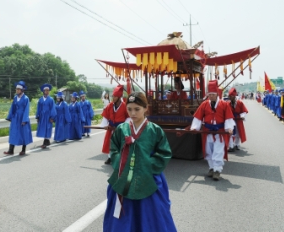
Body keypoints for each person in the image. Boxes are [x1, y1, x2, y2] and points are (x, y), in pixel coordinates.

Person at [103, 92, 176, 232]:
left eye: (137, 109)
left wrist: (146, 165)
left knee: (151, 213)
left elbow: (164, 154)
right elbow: (114, 149)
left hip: (148, 177)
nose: (133, 113)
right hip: (124, 177)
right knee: (123, 213)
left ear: (145, 108)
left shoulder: (155, 130)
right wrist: (121, 164)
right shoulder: (121, 129)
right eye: (129, 109)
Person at [190, 80, 234, 181]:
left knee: (218, 151)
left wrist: (229, 128)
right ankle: (211, 168)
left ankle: (217, 170)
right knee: (208, 151)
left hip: (220, 132)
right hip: (207, 131)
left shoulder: (224, 104)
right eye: (209, 95)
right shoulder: (204, 104)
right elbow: (198, 117)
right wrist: (194, 127)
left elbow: (228, 118)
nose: (211, 96)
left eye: (213, 95)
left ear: (217, 94)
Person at [100, 85, 129, 165]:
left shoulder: (124, 106)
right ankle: (110, 157)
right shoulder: (110, 105)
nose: (113, 98)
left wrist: (122, 127)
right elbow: (105, 116)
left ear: (119, 97)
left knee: (120, 143)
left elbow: (129, 117)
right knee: (110, 142)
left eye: (115, 96)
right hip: (111, 128)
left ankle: (121, 158)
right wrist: (105, 125)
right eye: (113, 96)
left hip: (121, 129)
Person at [4, 81, 33, 155]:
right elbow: (12, 108)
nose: (17, 90)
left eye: (18, 89)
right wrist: (10, 117)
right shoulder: (15, 97)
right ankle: (11, 150)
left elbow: (26, 109)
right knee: (13, 132)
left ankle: (23, 150)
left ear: (22, 90)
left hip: (22, 117)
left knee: (23, 133)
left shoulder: (26, 98)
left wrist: (24, 119)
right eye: (16, 89)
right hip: (15, 117)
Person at [227, 88, 248, 152]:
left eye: (231, 96)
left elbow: (244, 111)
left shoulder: (239, 103)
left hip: (238, 119)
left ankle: (237, 144)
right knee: (231, 132)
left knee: (238, 133)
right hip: (231, 119)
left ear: (234, 96)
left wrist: (242, 116)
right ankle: (231, 145)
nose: (230, 98)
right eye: (229, 96)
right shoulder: (228, 103)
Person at [36, 83, 57, 149]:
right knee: (43, 128)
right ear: (43, 91)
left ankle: (45, 143)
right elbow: (38, 108)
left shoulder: (51, 99)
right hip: (42, 116)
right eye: (46, 90)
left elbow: (53, 108)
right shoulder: (40, 99)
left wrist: (52, 117)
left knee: (48, 128)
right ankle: (47, 141)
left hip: (48, 116)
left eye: (48, 90)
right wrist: (38, 116)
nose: (47, 92)